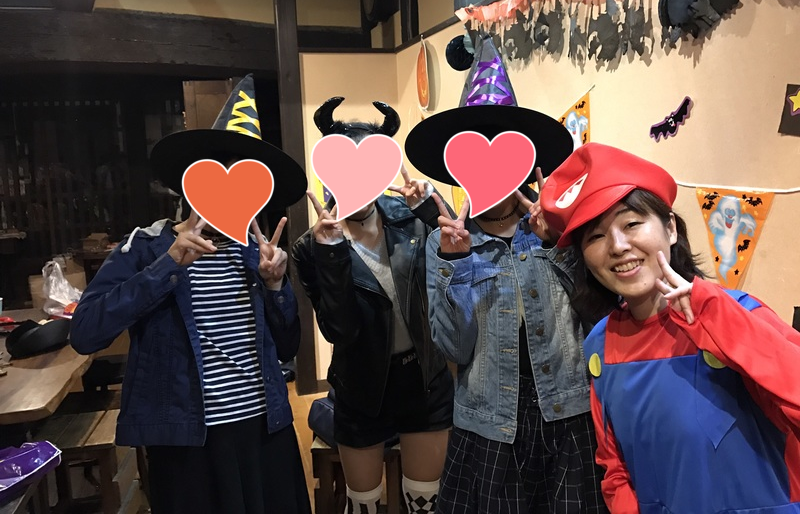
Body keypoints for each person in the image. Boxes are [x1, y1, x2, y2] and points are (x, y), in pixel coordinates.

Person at [70, 74, 312, 514]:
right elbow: (86, 333)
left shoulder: (256, 253)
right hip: (188, 442)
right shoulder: (147, 245)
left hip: (265, 427)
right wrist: (167, 266)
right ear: (191, 183)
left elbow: (287, 346)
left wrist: (277, 286)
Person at [539, 142, 800, 514]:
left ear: (671, 228)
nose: (618, 246)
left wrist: (714, 316)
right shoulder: (600, 344)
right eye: (595, 236)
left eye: (631, 223)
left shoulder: (738, 312)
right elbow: (615, 469)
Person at [405, 35, 607, 514]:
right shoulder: (443, 243)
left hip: (569, 419)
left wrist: (556, 239)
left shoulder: (560, 229)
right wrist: (458, 263)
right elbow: (455, 349)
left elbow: (597, 314)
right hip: (489, 427)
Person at [292, 96, 454, 514]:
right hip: (360, 388)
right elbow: (340, 330)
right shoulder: (311, 247)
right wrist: (331, 254)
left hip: (424, 381)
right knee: (363, 504)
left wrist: (429, 209)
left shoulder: (409, 215)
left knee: (426, 503)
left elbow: (460, 259)